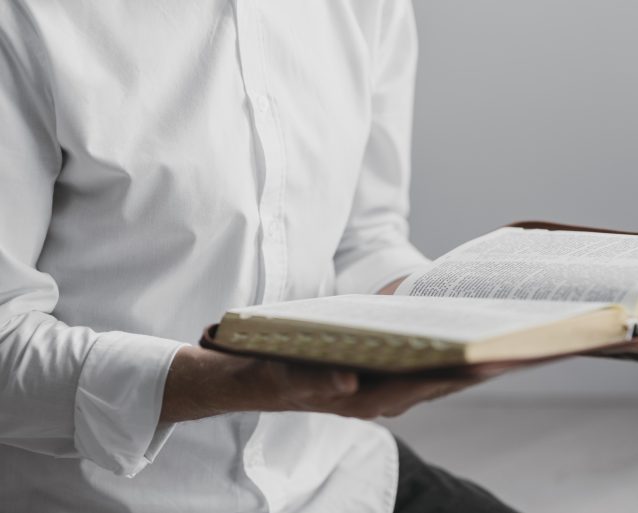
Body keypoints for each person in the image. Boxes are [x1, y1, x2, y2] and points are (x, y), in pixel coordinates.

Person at [0, 1, 519, 511]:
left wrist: (441, 315)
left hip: (338, 476)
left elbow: (364, 238)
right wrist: (237, 382)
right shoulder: (24, 17)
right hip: (95, 497)